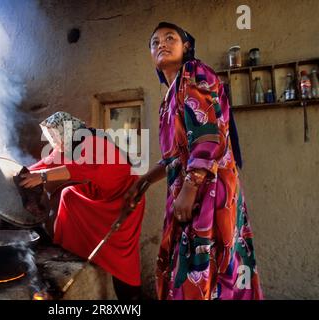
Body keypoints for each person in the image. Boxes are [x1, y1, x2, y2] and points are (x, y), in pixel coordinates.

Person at [124, 22, 263, 300]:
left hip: (208, 188)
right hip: (191, 187)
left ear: (186, 47)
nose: (161, 44)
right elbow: (176, 155)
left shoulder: (194, 72)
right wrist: (145, 180)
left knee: (201, 272)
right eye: (155, 42)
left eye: (170, 38)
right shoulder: (170, 97)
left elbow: (208, 135)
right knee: (198, 269)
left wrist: (189, 188)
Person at [19, 111, 145, 300]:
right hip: (101, 195)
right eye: (48, 137)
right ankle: (69, 250)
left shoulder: (92, 142)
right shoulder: (66, 145)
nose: (51, 140)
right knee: (69, 195)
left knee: (122, 257)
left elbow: (78, 169)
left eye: (53, 135)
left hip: (125, 198)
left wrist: (42, 177)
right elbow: (46, 163)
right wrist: (20, 172)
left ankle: (131, 298)